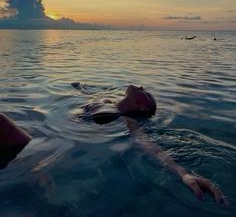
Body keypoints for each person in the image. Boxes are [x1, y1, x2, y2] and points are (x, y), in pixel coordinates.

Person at [0, 84, 228, 206]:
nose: (141, 86)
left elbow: (148, 145)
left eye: (146, 93)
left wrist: (183, 173)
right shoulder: (107, 101)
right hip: (46, 136)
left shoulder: (127, 121)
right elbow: (91, 94)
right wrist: (80, 88)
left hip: (44, 150)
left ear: (141, 109)